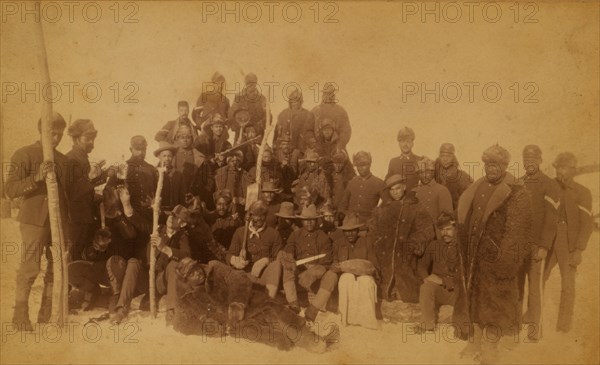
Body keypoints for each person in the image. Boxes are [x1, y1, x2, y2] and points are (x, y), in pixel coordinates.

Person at [452, 144, 531, 364]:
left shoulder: (516, 191)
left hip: (498, 259)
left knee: (496, 305)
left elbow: (518, 232)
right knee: (475, 300)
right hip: (474, 257)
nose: (491, 169)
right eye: (488, 164)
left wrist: (506, 261)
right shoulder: (476, 187)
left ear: (505, 166)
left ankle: (491, 346)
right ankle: (474, 341)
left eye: (496, 165)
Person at [173, 258, 334, 352]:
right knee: (275, 339)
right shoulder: (187, 297)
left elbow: (239, 278)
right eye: (192, 274)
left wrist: (237, 303)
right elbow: (181, 324)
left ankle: (312, 341)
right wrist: (209, 328)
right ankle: (289, 342)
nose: (198, 273)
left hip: (252, 304)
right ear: (186, 280)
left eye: (196, 268)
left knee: (278, 316)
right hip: (235, 325)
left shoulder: (214, 268)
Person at [5, 113, 71, 330]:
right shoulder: (24, 154)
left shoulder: (63, 160)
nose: (56, 138)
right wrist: (35, 178)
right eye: (52, 133)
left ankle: (47, 313)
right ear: (41, 131)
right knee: (30, 267)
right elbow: (10, 190)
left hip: (57, 223)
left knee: (57, 266)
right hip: (33, 220)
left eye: (60, 135)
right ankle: (20, 316)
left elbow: (68, 196)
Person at [69, 182, 137, 313]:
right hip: (99, 268)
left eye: (111, 205)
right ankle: (93, 292)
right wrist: (96, 247)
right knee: (72, 269)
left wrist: (118, 219)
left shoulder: (123, 217)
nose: (107, 209)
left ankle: (116, 295)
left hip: (118, 269)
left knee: (115, 261)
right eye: (105, 205)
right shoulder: (94, 219)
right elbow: (85, 255)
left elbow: (130, 237)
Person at [543, 152, 593, 333]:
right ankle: (535, 319)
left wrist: (579, 249)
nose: (559, 171)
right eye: (557, 168)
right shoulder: (549, 187)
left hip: (569, 241)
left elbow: (586, 223)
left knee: (568, 285)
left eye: (563, 168)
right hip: (549, 239)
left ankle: (563, 326)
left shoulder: (583, 192)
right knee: (540, 278)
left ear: (572, 170)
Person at [517, 145, 560, 340]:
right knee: (517, 286)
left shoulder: (549, 184)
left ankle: (535, 330)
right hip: (519, 246)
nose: (529, 162)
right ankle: (514, 325)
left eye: (533, 159)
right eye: (526, 159)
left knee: (535, 289)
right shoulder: (519, 183)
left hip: (537, 246)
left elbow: (552, 219)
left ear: (541, 160)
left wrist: (544, 246)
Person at [370, 174, 434, 303]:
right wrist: (379, 241)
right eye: (392, 190)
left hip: (406, 253)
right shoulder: (383, 208)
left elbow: (426, 230)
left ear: (404, 187)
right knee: (384, 282)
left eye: (398, 188)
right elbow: (373, 227)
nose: (395, 192)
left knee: (407, 285)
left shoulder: (415, 206)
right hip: (386, 253)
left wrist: (413, 244)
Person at [281, 204, 335, 322]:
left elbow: (326, 261)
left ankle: (313, 311)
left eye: (312, 220)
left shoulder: (323, 237)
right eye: (306, 220)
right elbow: (289, 248)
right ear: (301, 221)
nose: (309, 223)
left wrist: (315, 270)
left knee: (332, 275)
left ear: (316, 220)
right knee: (287, 266)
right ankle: (294, 305)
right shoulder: (295, 234)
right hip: (299, 271)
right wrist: (290, 259)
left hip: (316, 274)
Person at [330, 214, 379, 329]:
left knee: (366, 282)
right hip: (346, 275)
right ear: (343, 232)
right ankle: (345, 319)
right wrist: (335, 267)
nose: (350, 234)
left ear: (358, 230)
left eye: (353, 231)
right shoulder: (338, 244)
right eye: (347, 231)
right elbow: (335, 262)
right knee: (346, 279)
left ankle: (368, 322)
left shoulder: (366, 242)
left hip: (365, 274)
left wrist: (367, 270)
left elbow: (374, 264)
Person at [66, 119, 106, 260]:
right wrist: (90, 179)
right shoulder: (70, 160)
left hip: (84, 218)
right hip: (74, 220)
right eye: (87, 139)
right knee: (72, 258)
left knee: (81, 258)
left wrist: (104, 176)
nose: (92, 143)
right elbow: (69, 193)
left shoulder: (82, 158)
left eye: (93, 139)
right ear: (76, 139)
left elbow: (85, 191)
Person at [227, 201, 283, 298]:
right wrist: (235, 260)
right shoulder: (240, 232)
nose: (260, 218)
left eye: (263, 215)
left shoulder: (273, 234)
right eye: (256, 215)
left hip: (264, 277)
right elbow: (229, 254)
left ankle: (268, 300)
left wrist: (266, 261)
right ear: (250, 216)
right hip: (244, 275)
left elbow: (278, 258)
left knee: (276, 265)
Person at [417, 212, 459, 333]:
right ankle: (427, 325)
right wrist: (427, 277)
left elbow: (465, 273)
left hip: (456, 290)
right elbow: (421, 265)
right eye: (442, 230)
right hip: (439, 290)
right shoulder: (435, 245)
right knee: (426, 287)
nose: (444, 233)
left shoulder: (463, 246)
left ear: (456, 229)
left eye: (448, 229)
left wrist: (444, 281)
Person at [151, 205, 192, 325]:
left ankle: (171, 310)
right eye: (170, 214)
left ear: (183, 224)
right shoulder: (157, 231)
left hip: (168, 281)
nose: (170, 218)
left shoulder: (182, 237)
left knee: (174, 264)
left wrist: (165, 248)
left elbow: (187, 256)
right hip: (155, 279)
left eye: (175, 216)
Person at [172, 125, 214, 209]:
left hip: (194, 197)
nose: (185, 140)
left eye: (188, 137)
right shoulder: (171, 155)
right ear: (177, 139)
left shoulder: (200, 157)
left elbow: (209, 179)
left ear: (192, 139)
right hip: (174, 196)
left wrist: (200, 196)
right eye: (182, 137)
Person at [338, 151, 385, 225]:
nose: (361, 168)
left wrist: (376, 214)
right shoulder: (352, 182)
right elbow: (343, 204)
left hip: (367, 224)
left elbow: (387, 202)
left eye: (363, 165)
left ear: (369, 164)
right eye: (358, 166)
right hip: (350, 223)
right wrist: (347, 215)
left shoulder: (379, 183)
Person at [413, 157, 453, 225]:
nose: (425, 175)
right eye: (422, 172)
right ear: (418, 174)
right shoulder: (414, 191)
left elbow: (447, 216)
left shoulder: (442, 190)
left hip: (435, 230)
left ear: (433, 173)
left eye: (428, 172)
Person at [311, 83, 351, 150]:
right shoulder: (315, 111)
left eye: (330, 94)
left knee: (341, 159)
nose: (328, 96)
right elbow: (308, 130)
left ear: (334, 95)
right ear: (323, 95)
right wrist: (313, 143)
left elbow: (346, 131)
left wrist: (340, 145)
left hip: (336, 148)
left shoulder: (340, 111)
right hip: (317, 148)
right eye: (326, 94)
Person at [125, 135, 158, 216]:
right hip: (130, 213)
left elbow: (157, 191)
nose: (141, 153)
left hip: (148, 211)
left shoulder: (151, 169)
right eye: (137, 149)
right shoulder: (124, 167)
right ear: (131, 149)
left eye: (143, 150)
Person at [275, 88, 315, 153]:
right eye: (293, 101)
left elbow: (310, 132)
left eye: (297, 101)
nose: (295, 103)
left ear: (301, 102)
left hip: (301, 148)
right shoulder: (283, 114)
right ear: (290, 102)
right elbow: (277, 133)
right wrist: (276, 146)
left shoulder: (307, 114)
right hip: (285, 149)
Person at [434, 143, 473, 209]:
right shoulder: (433, 174)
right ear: (439, 157)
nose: (445, 159)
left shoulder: (462, 176)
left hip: (454, 213)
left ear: (453, 157)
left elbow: (468, 198)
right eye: (442, 156)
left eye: (448, 156)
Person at [229, 72, 267, 137]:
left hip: (257, 134)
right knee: (238, 147)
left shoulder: (262, 99)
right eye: (248, 83)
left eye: (253, 83)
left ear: (256, 84)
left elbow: (268, 117)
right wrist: (242, 129)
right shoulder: (239, 97)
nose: (250, 86)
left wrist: (256, 128)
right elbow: (231, 114)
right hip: (241, 134)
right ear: (245, 84)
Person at [154, 141, 186, 214]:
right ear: (159, 157)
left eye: (169, 156)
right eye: (164, 156)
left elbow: (182, 195)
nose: (167, 159)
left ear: (173, 157)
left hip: (175, 211)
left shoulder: (178, 174)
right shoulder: (155, 173)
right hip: (159, 211)